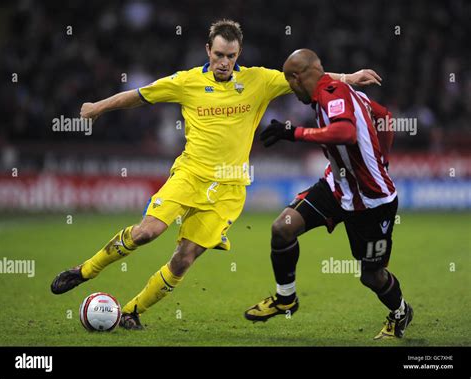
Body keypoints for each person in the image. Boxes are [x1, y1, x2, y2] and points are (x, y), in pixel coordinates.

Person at [50, 20, 381, 330]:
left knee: (184, 258)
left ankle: (132, 312)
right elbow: (138, 96)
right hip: (190, 175)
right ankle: (84, 271)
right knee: (146, 233)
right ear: (208, 50)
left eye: (231, 56)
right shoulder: (186, 81)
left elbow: (313, 77)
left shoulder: (258, 80)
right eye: (219, 54)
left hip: (230, 189)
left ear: (239, 54)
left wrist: (351, 76)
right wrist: (96, 108)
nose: (224, 62)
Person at [244, 49, 413, 340]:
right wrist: (382, 157)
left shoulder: (332, 95)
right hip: (336, 187)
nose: (290, 91)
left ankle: (400, 311)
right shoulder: (342, 91)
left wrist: (293, 133)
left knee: (371, 276)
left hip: (372, 203)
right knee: (282, 228)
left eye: (289, 82)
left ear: (297, 78)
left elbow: (345, 133)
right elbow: (384, 116)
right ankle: (286, 298)